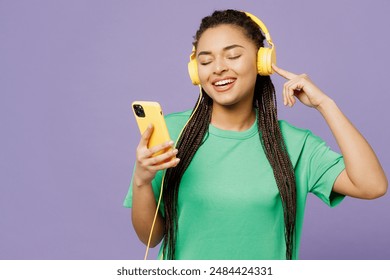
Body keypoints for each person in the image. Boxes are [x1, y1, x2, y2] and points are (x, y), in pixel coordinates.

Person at [123, 9, 387, 260]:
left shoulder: (296, 145)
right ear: (195, 70)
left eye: (233, 56)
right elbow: (150, 238)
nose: (217, 68)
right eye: (205, 60)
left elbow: (372, 186)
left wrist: (326, 105)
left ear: (262, 61)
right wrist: (142, 181)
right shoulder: (170, 132)